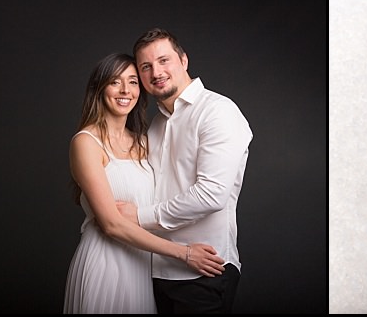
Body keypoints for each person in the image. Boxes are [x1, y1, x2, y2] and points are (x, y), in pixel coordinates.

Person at [64, 53, 226, 314]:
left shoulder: (144, 141)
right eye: (115, 82)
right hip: (106, 263)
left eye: (133, 81)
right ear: (99, 88)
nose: (125, 90)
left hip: (142, 266)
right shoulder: (85, 142)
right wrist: (184, 253)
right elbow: (111, 224)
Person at [117, 28, 253, 313]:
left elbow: (212, 194)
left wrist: (138, 217)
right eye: (146, 66)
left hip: (204, 272)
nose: (156, 72)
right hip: (154, 270)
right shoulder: (156, 125)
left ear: (184, 60)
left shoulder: (218, 111)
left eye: (164, 60)